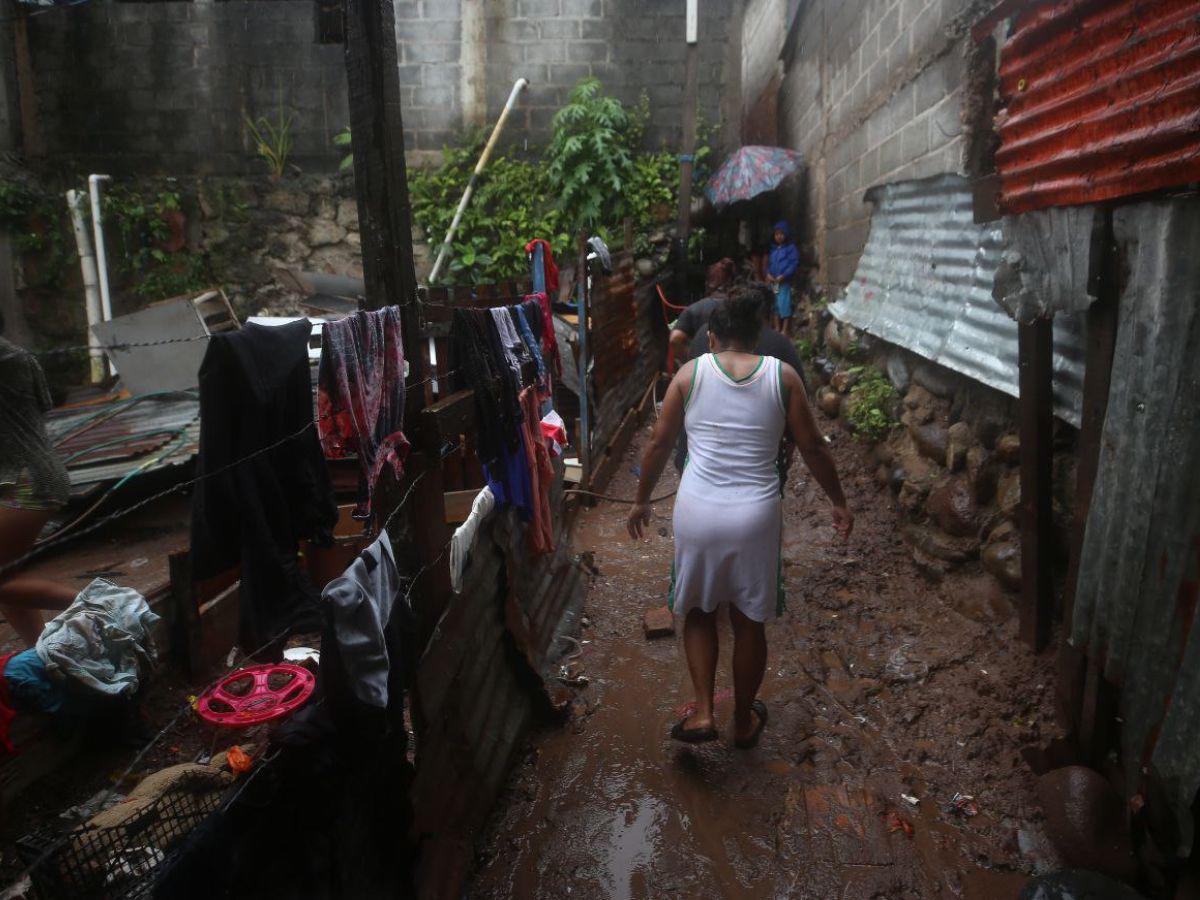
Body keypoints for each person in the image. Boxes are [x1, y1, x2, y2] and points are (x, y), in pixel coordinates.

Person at [627, 291, 852, 748]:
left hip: (698, 511)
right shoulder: (783, 376)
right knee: (750, 621)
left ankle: (704, 714)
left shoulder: (689, 375)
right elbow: (813, 447)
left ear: (711, 336)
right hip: (757, 516)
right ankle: (744, 721)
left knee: (699, 611)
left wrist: (641, 500)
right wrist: (838, 501)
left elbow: (658, 444)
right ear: (757, 337)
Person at [675, 282, 807, 473]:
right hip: (758, 472)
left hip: (695, 463)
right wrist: (790, 445)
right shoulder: (780, 347)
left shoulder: (702, 336)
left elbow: (661, 438)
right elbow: (801, 424)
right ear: (768, 313)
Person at [0, 337, 79, 645]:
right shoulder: (18, 357)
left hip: (27, 481)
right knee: (7, 582)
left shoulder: (9, 359)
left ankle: (110, 606)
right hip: (18, 476)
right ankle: (44, 654)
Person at [667, 257, 736, 370]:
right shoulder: (740, 309)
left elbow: (675, 339)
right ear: (731, 282)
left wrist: (689, 359)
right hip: (733, 371)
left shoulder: (695, 309)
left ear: (708, 283)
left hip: (701, 370)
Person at [767, 220, 800, 336]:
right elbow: (770, 265)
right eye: (776, 234)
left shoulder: (791, 248)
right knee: (775, 304)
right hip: (775, 283)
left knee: (784, 303)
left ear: (786, 234)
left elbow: (793, 264)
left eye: (781, 234)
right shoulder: (774, 251)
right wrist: (769, 274)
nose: (779, 236)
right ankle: (777, 327)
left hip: (784, 282)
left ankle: (785, 329)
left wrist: (784, 275)